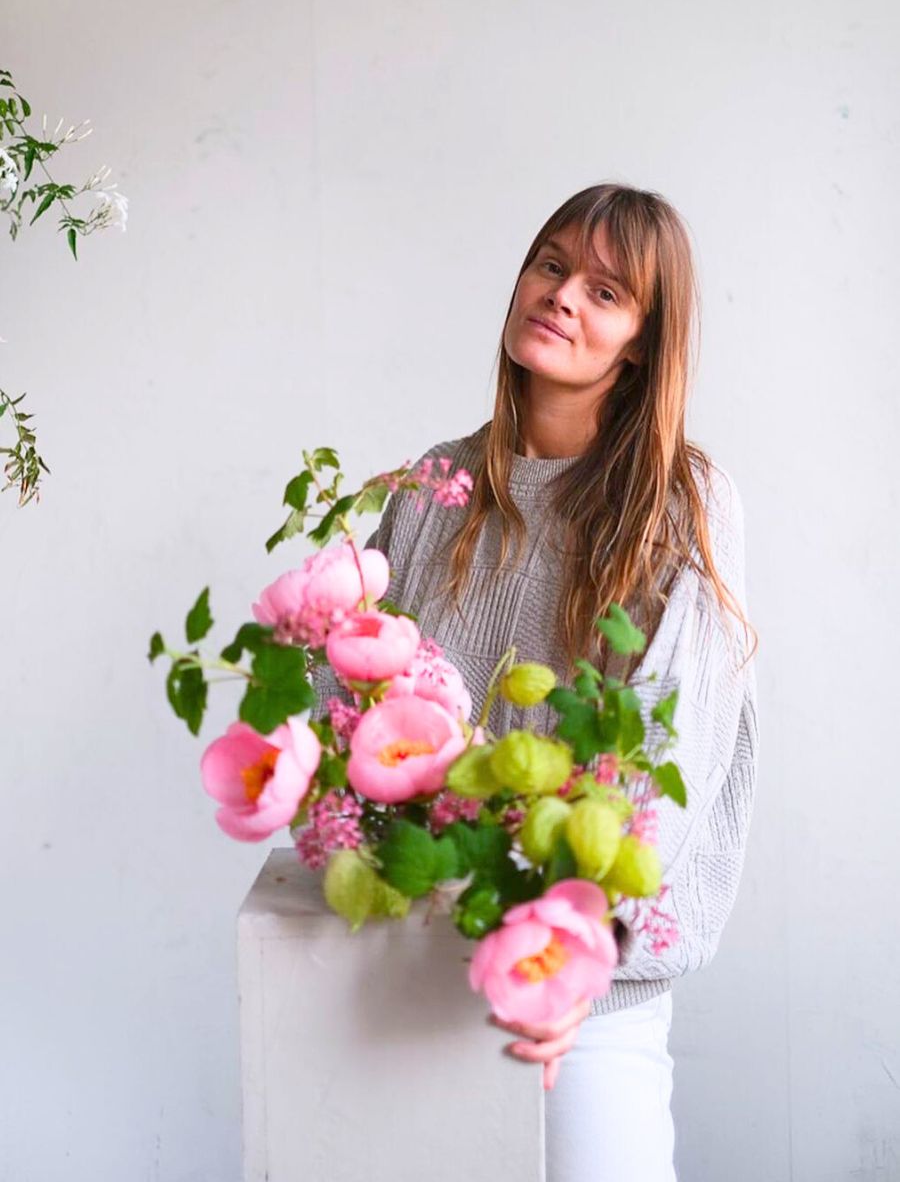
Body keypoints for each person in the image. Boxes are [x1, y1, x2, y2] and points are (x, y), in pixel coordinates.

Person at [309, 182, 759, 1181]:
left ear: (642, 341)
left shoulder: (683, 503)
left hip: (578, 996)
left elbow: (675, 744)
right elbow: (346, 702)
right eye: (551, 266)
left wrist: (578, 952)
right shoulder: (437, 485)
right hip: (410, 964)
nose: (561, 296)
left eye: (606, 292)